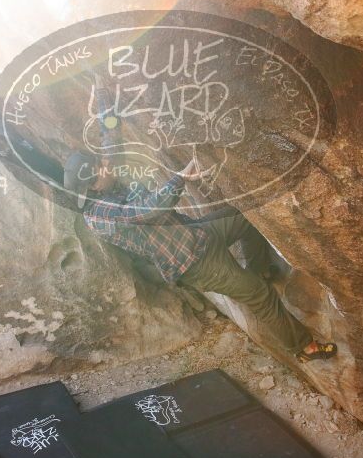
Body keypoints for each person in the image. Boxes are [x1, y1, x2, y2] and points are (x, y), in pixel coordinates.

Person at [63, 152, 338, 363]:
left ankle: (258, 269)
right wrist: (179, 178)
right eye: (101, 167)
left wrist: (103, 103)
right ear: (93, 186)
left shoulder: (103, 185)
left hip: (198, 235)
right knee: (261, 296)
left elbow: (110, 142)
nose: (107, 165)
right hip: (195, 263)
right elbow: (146, 212)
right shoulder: (99, 217)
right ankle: (303, 347)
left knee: (245, 216)